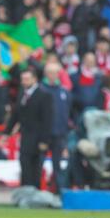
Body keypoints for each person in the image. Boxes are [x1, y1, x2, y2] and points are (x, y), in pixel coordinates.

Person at [4, 69, 53, 189]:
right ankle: (25, 190)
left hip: (38, 138)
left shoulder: (44, 95)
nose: (23, 82)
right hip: (25, 136)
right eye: (22, 79)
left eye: (26, 79)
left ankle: (33, 192)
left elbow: (48, 120)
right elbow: (16, 114)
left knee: (35, 166)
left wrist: (44, 141)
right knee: (24, 163)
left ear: (34, 79)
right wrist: (7, 132)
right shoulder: (22, 93)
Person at [42, 63, 71, 193]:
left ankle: (60, 192)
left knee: (58, 164)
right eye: (50, 72)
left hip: (59, 134)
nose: (53, 75)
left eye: (55, 73)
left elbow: (68, 113)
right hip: (43, 135)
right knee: (39, 163)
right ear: (46, 74)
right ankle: (38, 191)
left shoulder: (64, 92)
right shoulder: (41, 90)